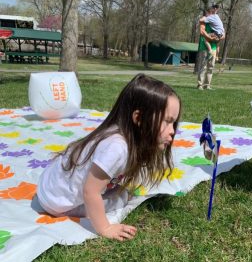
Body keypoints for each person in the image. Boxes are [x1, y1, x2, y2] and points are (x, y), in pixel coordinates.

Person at [34, 73, 181, 242]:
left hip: (50, 183)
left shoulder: (121, 134)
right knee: (122, 198)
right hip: (55, 200)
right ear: (139, 118)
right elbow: (90, 192)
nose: (172, 130)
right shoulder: (117, 147)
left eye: (173, 123)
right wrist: (105, 227)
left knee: (122, 192)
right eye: (167, 121)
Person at [197, 4, 225, 90]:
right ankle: (200, 85)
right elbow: (202, 32)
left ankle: (207, 85)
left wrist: (215, 39)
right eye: (208, 12)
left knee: (211, 68)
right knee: (203, 66)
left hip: (213, 47)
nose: (209, 13)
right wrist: (209, 37)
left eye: (210, 12)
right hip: (204, 48)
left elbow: (223, 35)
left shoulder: (214, 19)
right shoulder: (204, 21)